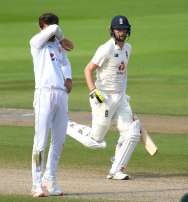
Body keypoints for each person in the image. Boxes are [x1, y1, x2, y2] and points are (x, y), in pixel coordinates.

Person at [66, 15, 141, 180]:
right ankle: (66, 125)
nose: (121, 32)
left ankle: (116, 169)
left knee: (132, 132)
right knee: (96, 141)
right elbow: (88, 69)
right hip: (103, 98)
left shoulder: (128, 48)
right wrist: (93, 91)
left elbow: (123, 74)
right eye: (118, 29)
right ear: (112, 31)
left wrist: (124, 96)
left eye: (124, 29)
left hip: (120, 98)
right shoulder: (106, 48)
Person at [29, 13, 74, 197]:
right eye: (49, 26)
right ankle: (36, 184)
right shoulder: (36, 42)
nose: (53, 28)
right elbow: (55, 29)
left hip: (61, 94)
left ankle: (50, 179)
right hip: (44, 93)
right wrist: (62, 37)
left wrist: (69, 78)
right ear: (42, 27)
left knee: (59, 141)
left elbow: (65, 62)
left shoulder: (57, 46)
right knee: (40, 141)